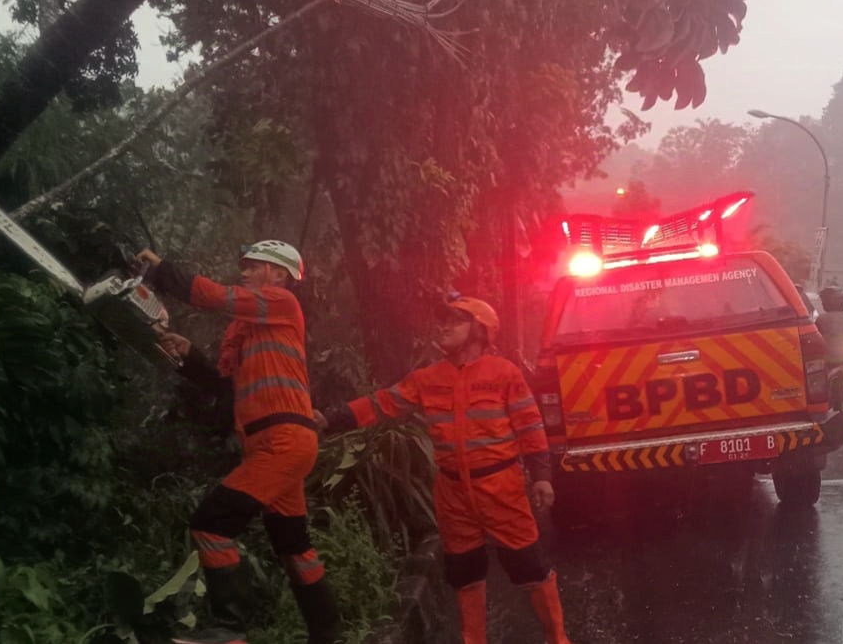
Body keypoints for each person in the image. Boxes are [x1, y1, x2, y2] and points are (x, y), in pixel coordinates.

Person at [316, 293, 571, 644]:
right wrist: (331, 420)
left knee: (528, 566)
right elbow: (383, 403)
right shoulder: (427, 378)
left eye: (455, 319)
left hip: (501, 488)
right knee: (464, 573)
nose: (444, 326)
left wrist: (542, 476)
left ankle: (558, 639)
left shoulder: (504, 374)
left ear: (480, 330)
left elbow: (529, 425)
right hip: (452, 494)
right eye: (443, 319)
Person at [137, 240, 340, 644]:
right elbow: (222, 389)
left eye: (253, 266)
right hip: (276, 445)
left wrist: (162, 271)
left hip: (283, 441)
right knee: (293, 546)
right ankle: (328, 635)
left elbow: (214, 296)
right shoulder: (247, 331)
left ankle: (230, 630)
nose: (243, 272)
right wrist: (189, 353)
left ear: (278, 274)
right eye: (244, 267)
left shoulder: (280, 302)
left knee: (210, 524)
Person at [815, 286, 843, 363]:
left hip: (830, 362)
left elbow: (815, 342)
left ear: (829, 301)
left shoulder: (821, 319)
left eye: (824, 301)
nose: (822, 303)